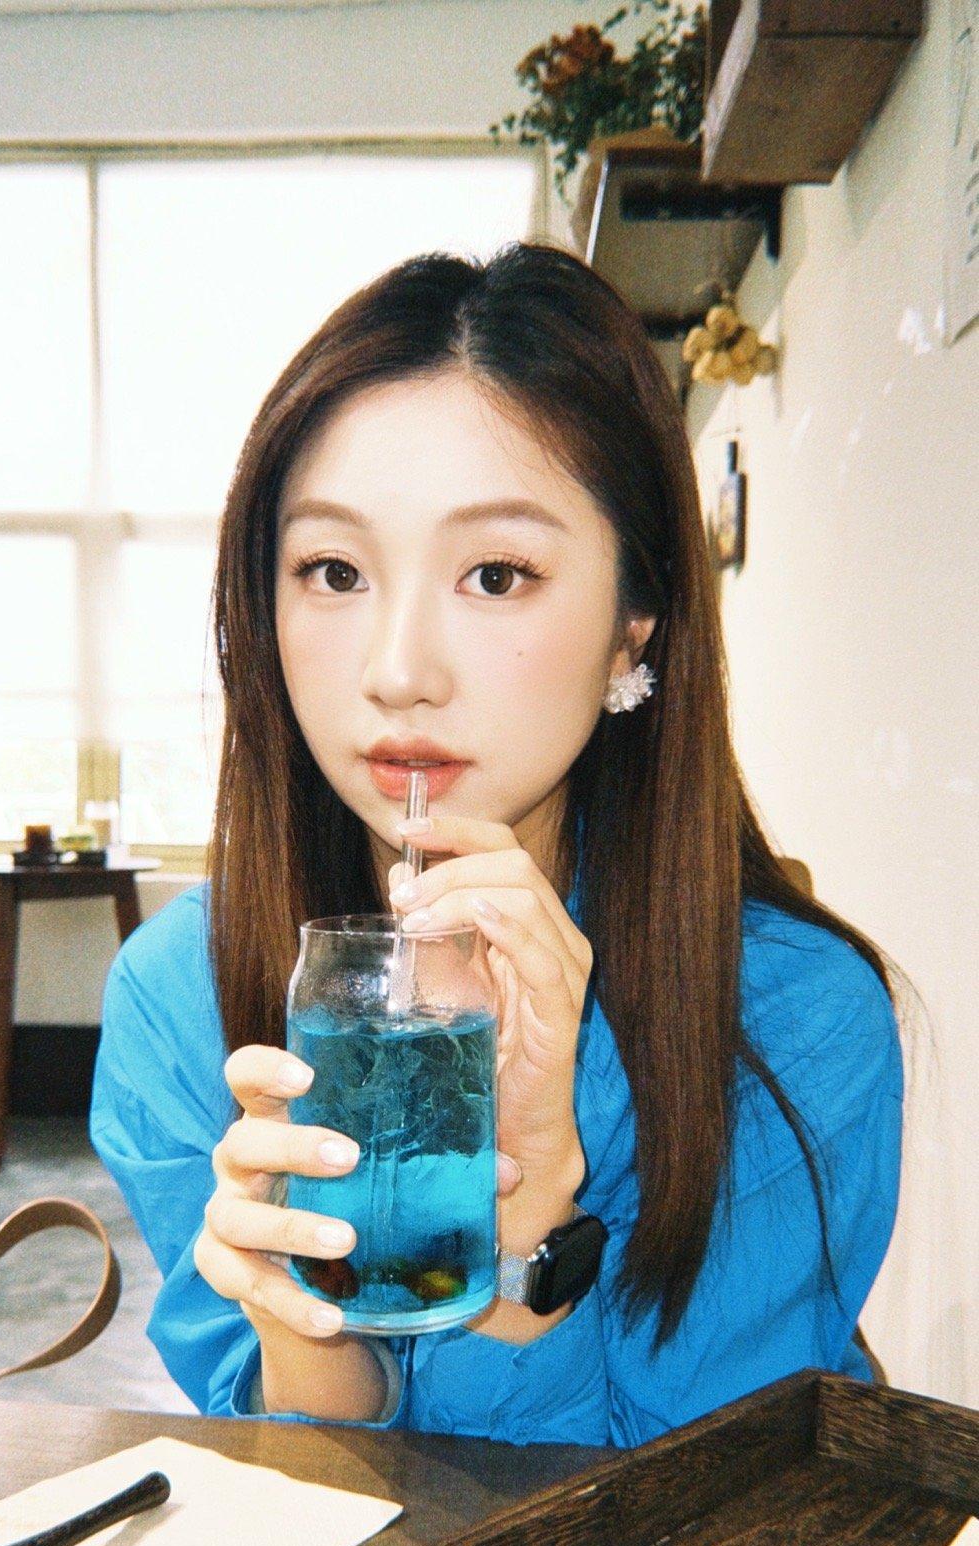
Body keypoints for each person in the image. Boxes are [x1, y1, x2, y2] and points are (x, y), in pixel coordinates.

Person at [90, 241, 910, 1446]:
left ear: (635, 624)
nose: (398, 672)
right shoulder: (181, 999)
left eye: (495, 574)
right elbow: (299, 1492)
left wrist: (527, 1202)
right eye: (333, 570)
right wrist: (297, 1318)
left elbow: (702, 1511)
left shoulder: (792, 1020)